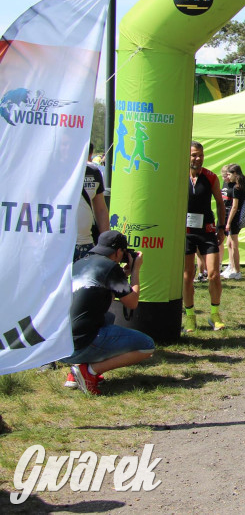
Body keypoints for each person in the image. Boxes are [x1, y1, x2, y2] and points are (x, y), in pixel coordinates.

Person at [62, 231, 153, 395]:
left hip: (61, 346)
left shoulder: (81, 263)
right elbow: (132, 302)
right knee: (146, 346)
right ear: (119, 252)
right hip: (81, 343)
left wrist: (123, 275)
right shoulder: (110, 267)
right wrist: (136, 271)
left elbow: (96, 295)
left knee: (108, 317)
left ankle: (74, 373)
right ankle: (89, 371)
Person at [183, 141, 226, 333]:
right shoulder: (179, 175)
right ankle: (190, 317)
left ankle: (214, 314)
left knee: (214, 274)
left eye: (200, 155)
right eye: (194, 155)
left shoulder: (211, 177)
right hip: (186, 232)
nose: (197, 158)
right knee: (187, 276)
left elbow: (220, 202)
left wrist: (221, 227)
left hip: (207, 231)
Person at [75, 142, 110, 261]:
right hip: (57, 246)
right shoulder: (51, 171)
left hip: (86, 245)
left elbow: (101, 210)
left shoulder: (93, 172)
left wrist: (106, 245)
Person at [222, 163, 245, 280]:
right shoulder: (243, 185)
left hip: (234, 218)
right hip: (238, 217)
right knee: (229, 243)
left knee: (234, 244)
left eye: (229, 174)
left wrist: (228, 222)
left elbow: (234, 207)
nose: (228, 177)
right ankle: (232, 267)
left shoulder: (236, 188)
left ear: (235, 174)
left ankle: (237, 270)